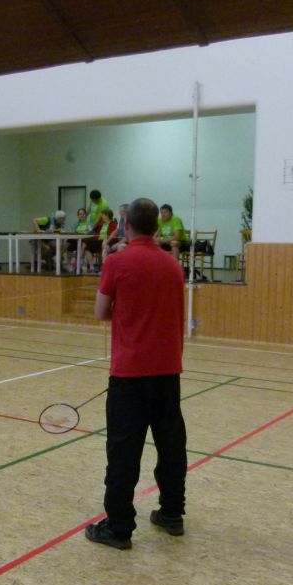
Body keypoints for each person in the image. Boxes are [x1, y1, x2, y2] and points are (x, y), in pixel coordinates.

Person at [87, 197, 188, 550]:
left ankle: (118, 528)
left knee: (123, 453)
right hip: (167, 372)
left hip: (129, 374)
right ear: (157, 226)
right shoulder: (173, 265)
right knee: (171, 447)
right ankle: (172, 514)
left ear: (126, 225)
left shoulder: (117, 262)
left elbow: (101, 312)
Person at [83, 207, 116, 273]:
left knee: (103, 246)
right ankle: (92, 267)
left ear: (107, 215)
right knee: (86, 247)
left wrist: (106, 240)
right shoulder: (101, 224)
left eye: (103, 215)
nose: (102, 216)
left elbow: (112, 235)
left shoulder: (113, 224)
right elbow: (96, 234)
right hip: (98, 240)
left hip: (107, 241)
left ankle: (102, 267)